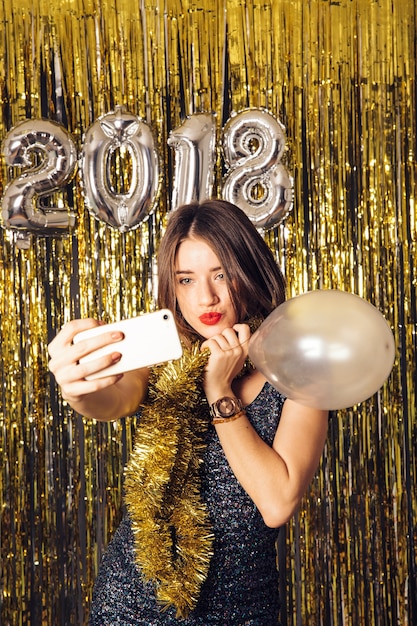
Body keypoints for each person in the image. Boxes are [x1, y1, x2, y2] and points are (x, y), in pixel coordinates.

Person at [48, 199, 329, 625]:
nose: (206, 297)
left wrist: (218, 389)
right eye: (186, 280)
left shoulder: (300, 371)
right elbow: (112, 400)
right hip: (131, 602)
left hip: (242, 609)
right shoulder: (164, 355)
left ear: (249, 269)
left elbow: (276, 502)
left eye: (221, 274)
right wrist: (78, 388)